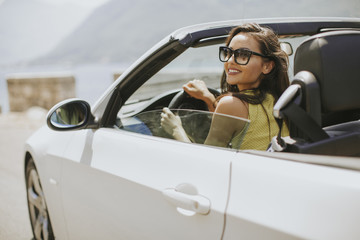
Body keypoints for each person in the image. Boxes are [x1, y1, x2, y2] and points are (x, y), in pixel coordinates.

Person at [161, 23, 290, 150]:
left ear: (267, 66)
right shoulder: (281, 99)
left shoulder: (230, 105)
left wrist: (175, 128)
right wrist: (209, 99)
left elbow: (204, 162)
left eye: (243, 54)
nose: (230, 61)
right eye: (228, 53)